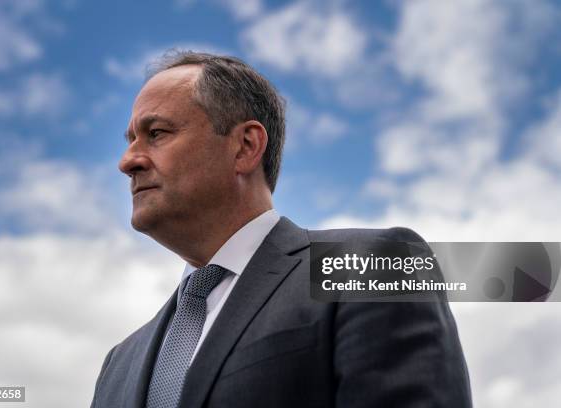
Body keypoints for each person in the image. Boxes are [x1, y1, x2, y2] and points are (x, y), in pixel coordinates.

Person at [90, 51, 472, 408]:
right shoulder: (118, 365)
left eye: (156, 133)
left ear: (245, 146)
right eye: (131, 141)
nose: (128, 161)